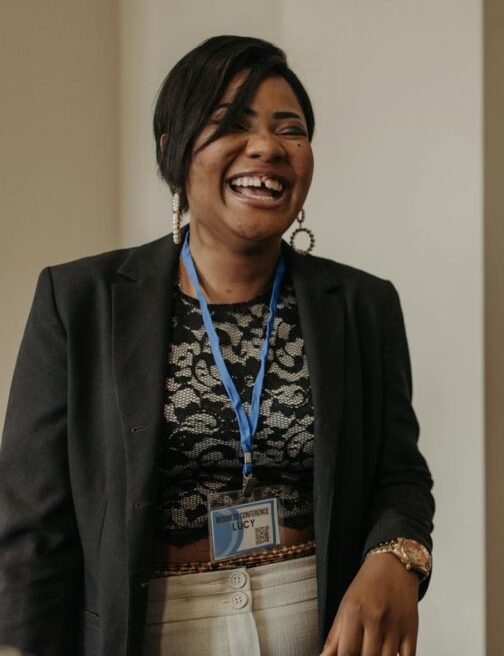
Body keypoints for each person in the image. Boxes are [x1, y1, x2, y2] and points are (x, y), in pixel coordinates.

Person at [0, 36, 434, 656]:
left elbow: (400, 476)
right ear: (171, 150)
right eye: (232, 124)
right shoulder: (79, 301)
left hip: (317, 622)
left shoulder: (363, 304)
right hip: (149, 624)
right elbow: (33, 519)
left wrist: (396, 557)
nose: (268, 146)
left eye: (292, 129)